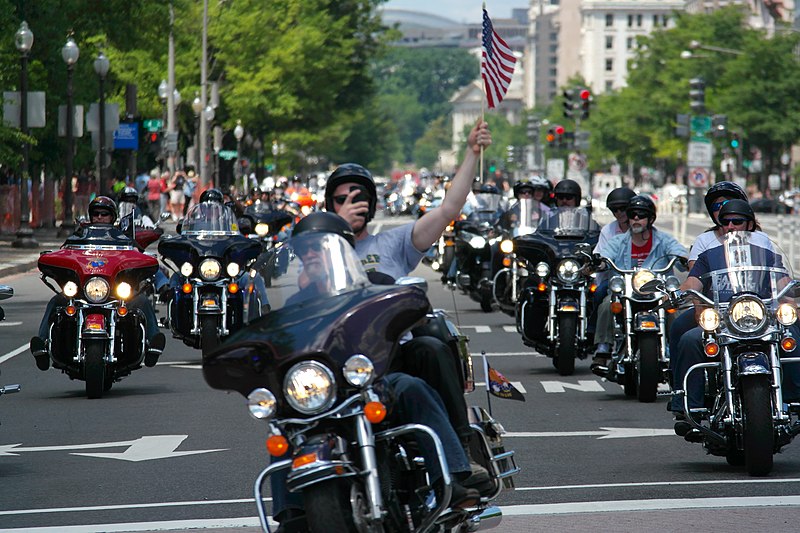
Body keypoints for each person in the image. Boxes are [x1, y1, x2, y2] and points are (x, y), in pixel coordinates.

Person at [270, 214, 484, 531]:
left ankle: (452, 477)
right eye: (305, 250)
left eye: (318, 247)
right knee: (282, 424)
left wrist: (407, 307)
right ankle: (292, 514)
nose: (311, 255)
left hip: (374, 385)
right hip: (324, 396)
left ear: (341, 249)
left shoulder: (375, 284)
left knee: (411, 387)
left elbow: (409, 307)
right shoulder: (298, 303)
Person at [670, 199, 800, 436]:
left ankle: (795, 400)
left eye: (736, 222)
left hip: (763, 318)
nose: (730, 226)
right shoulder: (710, 254)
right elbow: (693, 281)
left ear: (749, 224)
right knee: (690, 340)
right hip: (723, 321)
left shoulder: (766, 251)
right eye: (725, 222)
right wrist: (680, 292)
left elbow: (783, 282)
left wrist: (791, 295)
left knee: (791, 336)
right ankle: (690, 408)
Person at [29, 196, 166, 371]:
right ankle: (42, 346)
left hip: (116, 294)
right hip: (82, 293)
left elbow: (138, 256)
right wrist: (50, 258)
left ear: (112, 217)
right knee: (57, 301)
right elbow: (64, 253)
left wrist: (145, 261)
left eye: (104, 214)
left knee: (142, 302)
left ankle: (153, 345)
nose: (100, 217)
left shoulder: (124, 240)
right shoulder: (79, 237)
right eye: (96, 214)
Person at [590, 195, 688, 374]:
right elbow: (605, 256)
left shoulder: (663, 240)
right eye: (632, 214)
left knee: (676, 311)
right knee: (606, 305)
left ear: (650, 219)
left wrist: (684, 259)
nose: (636, 218)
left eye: (641, 215)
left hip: (658, 292)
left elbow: (679, 253)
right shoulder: (618, 242)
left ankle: (678, 351)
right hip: (626, 292)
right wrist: (601, 262)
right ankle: (603, 349)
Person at [667, 182, 751, 383]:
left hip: (757, 311)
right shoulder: (705, 240)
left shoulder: (761, 240)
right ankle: (683, 394)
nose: (723, 209)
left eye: (729, 203)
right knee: (681, 329)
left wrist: (789, 299)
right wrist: (698, 307)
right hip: (716, 309)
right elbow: (695, 278)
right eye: (717, 206)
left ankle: (794, 398)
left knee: (791, 330)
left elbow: (779, 276)